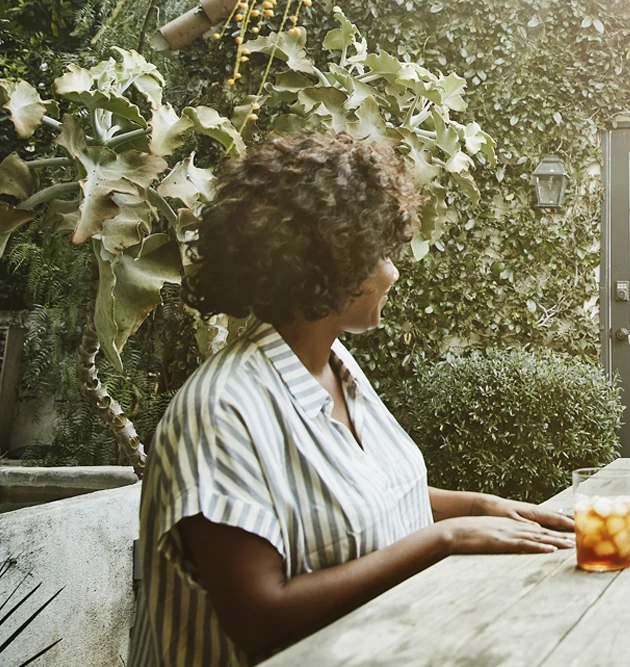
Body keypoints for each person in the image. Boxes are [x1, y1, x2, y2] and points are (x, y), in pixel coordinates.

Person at [131, 132, 575, 667]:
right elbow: (258, 618)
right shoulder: (223, 411)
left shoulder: (335, 367)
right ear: (324, 263)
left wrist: (476, 506)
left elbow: (360, 498)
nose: (391, 271)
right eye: (378, 253)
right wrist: (445, 540)